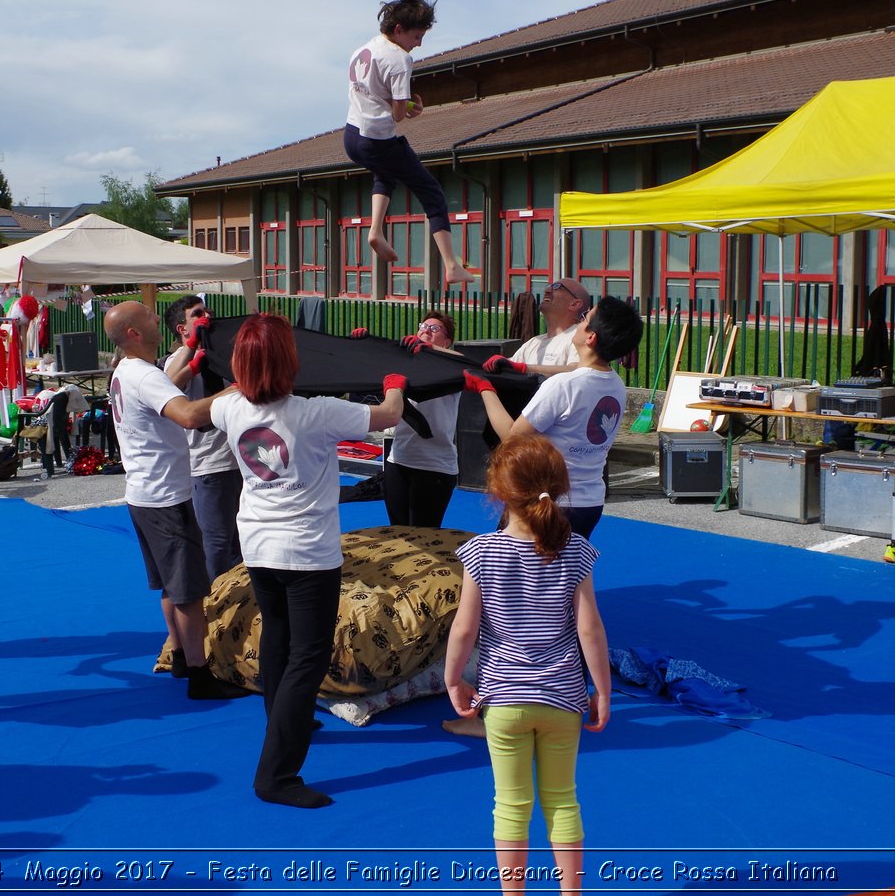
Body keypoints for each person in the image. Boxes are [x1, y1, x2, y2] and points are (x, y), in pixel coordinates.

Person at [209, 314, 407, 808]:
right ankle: (275, 775)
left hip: (258, 544)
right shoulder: (316, 411)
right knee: (308, 657)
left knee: (278, 635)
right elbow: (387, 416)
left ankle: (283, 715)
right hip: (306, 551)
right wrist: (396, 380)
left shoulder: (229, 407)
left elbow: (200, 410)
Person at [444, 433, 611, 891]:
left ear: (497, 491)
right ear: (559, 488)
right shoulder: (575, 549)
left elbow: (464, 629)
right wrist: (602, 690)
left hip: (504, 701)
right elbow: (589, 629)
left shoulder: (481, 552)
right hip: (562, 700)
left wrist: (454, 678)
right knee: (562, 800)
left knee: (511, 805)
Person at [103, 300, 248, 702]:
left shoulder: (128, 372)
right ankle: (201, 675)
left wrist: (196, 362)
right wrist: (236, 391)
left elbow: (171, 387)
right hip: (167, 496)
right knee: (188, 589)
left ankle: (183, 655)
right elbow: (186, 415)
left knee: (170, 585)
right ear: (134, 332)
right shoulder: (145, 375)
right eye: (149, 317)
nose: (157, 320)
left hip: (144, 493)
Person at [466, 296, 641, 541]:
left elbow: (511, 437)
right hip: (590, 502)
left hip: (549, 501)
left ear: (591, 337)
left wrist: (485, 388)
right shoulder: (617, 385)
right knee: (567, 574)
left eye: (584, 319)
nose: (579, 324)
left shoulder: (564, 385)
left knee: (519, 576)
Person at [343, 0, 472, 287]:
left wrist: (400, 105)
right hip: (378, 141)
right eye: (416, 37)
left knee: (384, 174)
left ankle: (375, 230)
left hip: (351, 136)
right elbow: (399, 114)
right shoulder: (400, 60)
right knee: (432, 194)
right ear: (399, 30)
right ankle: (452, 266)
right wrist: (411, 107)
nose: (418, 44)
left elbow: (375, 95)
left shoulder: (366, 48)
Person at [162, 295, 242, 581]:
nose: (207, 316)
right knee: (218, 543)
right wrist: (192, 353)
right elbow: (167, 384)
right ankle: (216, 603)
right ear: (182, 328)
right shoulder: (178, 359)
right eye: (197, 314)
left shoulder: (221, 352)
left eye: (207, 310)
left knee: (243, 538)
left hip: (241, 457)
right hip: (209, 463)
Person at [383, 310, 461, 528]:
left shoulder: (451, 369)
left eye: (435, 329)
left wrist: (430, 350)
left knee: (425, 535)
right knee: (397, 532)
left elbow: (470, 364)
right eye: (423, 326)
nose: (426, 330)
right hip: (399, 460)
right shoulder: (403, 364)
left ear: (447, 342)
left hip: (435, 466)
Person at [483, 278, 592, 377]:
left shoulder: (578, 337)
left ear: (574, 304)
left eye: (557, 287)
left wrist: (525, 368)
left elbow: (577, 371)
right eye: (549, 286)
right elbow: (509, 367)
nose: (547, 290)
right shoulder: (534, 342)